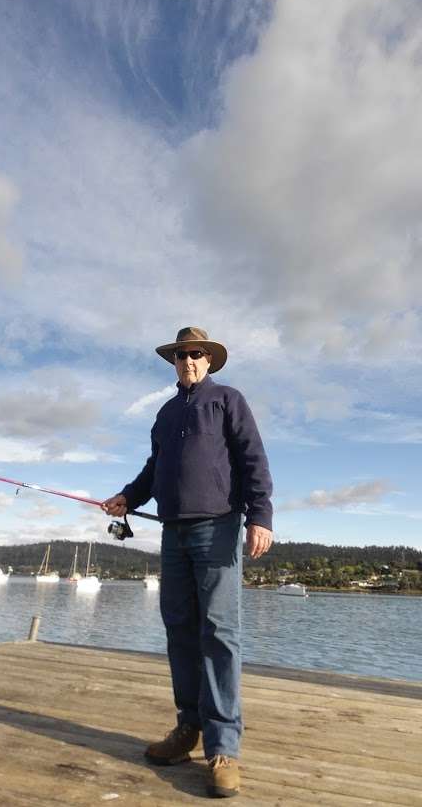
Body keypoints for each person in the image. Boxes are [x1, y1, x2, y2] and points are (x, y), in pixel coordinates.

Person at [103, 326, 273, 798]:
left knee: (219, 633)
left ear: (209, 360)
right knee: (179, 629)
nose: (188, 361)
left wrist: (260, 516)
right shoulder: (164, 413)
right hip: (172, 533)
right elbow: (154, 469)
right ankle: (187, 730)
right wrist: (127, 496)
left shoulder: (228, 400)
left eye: (196, 354)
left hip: (219, 528)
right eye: (181, 355)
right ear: (174, 363)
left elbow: (253, 460)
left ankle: (224, 748)